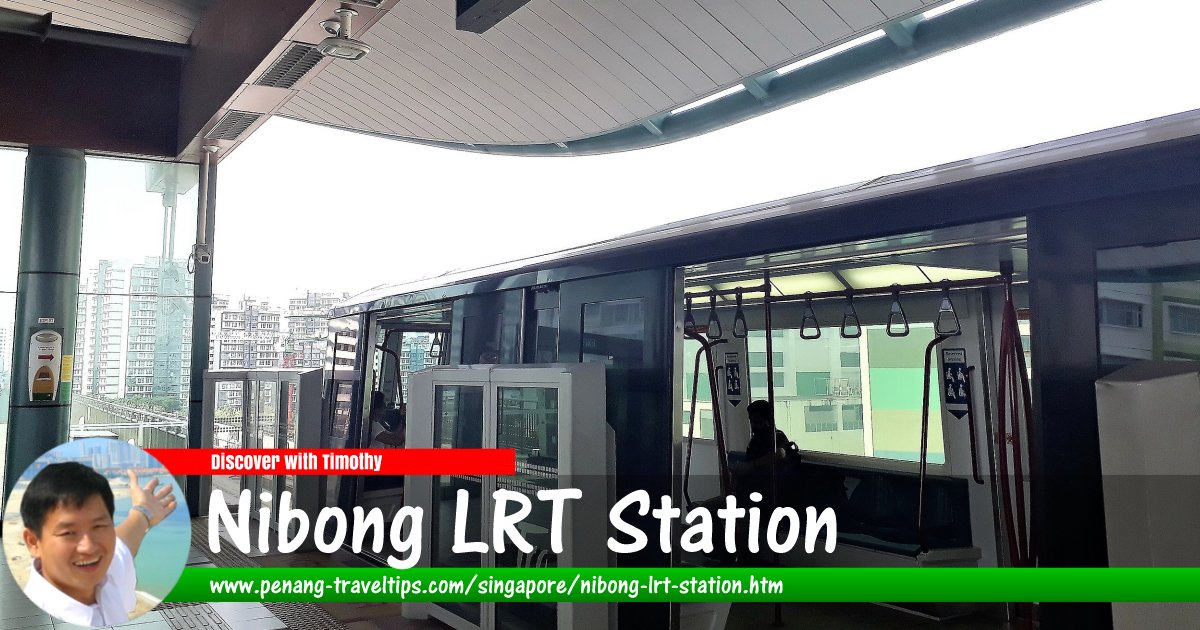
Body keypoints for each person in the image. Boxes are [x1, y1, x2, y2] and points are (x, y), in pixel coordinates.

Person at [20, 461, 177, 627]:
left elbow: (123, 545)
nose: (89, 547)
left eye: (99, 526)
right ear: (33, 542)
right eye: (68, 533)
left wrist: (144, 511)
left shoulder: (103, 574)